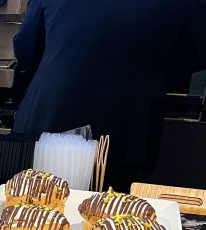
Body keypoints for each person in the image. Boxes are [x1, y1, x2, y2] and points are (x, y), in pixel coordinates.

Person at [11, 0, 206, 191]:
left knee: (33, 204)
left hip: (51, 114)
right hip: (125, 125)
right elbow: (198, 51)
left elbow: (26, 47)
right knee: (111, 208)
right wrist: (151, 72)